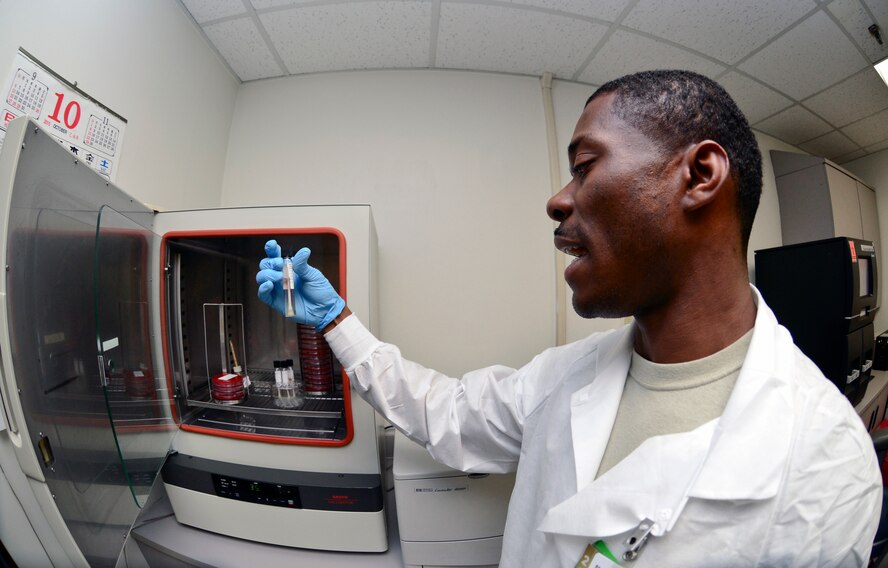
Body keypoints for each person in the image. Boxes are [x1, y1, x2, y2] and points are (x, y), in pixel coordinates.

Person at [256, 70, 882, 567]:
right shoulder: (564, 378)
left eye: (585, 165)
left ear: (699, 174)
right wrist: (336, 319)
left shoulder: (825, 464)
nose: (557, 200)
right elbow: (442, 413)